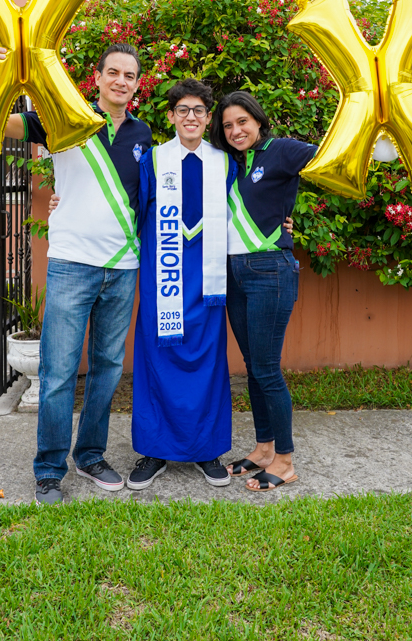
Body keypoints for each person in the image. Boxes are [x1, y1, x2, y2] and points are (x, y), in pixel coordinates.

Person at [0, 34, 151, 505]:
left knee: (107, 370)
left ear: (136, 84)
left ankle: (90, 456)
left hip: (123, 267)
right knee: (60, 373)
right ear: (97, 78)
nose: (121, 81)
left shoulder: (143, 135)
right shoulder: (63, 117)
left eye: (129, 75)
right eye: (113, 72)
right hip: (71, 265)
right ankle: (48, 470)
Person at [127, 79, 236, 489]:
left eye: (199, 111)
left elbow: (245, 212)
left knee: (207, 363)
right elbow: (131, 211)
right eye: (183, 110)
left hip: (208, 283)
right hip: (165, 279)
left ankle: (206, 450)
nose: (191, 117)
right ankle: (155, 450)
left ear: (208, 118)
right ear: (171, 116)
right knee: (157, 360)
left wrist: (283, 222)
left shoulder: (225, 163)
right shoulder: (153, 160)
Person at [209, 91, 317, 492]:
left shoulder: (282, 150)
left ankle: (285, 461)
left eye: (242, 121)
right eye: (228, 125)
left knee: (267, 368)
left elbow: (329, 161)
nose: (236, 130)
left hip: (269, 270)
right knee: (253, 365)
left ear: (257, 120)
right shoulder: (231, 164)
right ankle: (263, 449)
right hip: (233, 272)